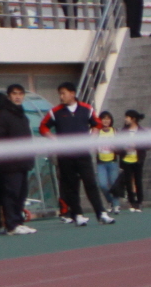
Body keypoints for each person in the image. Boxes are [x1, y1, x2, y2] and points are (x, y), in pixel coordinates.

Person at [42, 81, 112, 226]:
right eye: (60, 94)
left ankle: (101, 213)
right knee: (71, 186)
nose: (61, 96)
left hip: (83, 154)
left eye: (64, 93)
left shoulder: (86, 109)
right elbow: (43, 127)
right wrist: (54, 138)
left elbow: (97, 124)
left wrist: (92, 138)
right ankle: (78, 215)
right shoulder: (55, 112)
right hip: (65, 156)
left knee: (91, 183)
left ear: (72, 94)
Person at [0, 83, 36, 236]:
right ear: (9, 96)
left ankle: (18, 222)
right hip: (10, 163)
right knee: (11, 193)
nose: (18, 96)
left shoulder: (23, 116)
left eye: (21, 93)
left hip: (24, 161)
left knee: (21, 194)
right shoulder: (2, 117)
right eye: (14, 93)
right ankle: (12, 225)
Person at [93, 111, 123, 213]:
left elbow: (120, 146)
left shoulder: (115, 131)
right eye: (104, 119)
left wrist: (116, 148)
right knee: (102, 184)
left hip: (113, 161)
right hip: (101, 162)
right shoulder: (97, 132)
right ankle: (110, 201)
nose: (106, 121)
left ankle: (116, 205)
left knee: (114, 184)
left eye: (108, 119)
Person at [122, 109, 146, 211]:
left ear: (133, 119)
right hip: (126, 159)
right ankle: (131, 202)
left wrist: (136, 145)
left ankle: (139, 202)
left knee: (138, 180)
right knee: (128, 181)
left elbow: (147, 144)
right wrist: (124, 147)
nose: (125, 119)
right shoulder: (123, 131)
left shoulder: (141, 131)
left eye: (127, 117)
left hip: (137, 159)